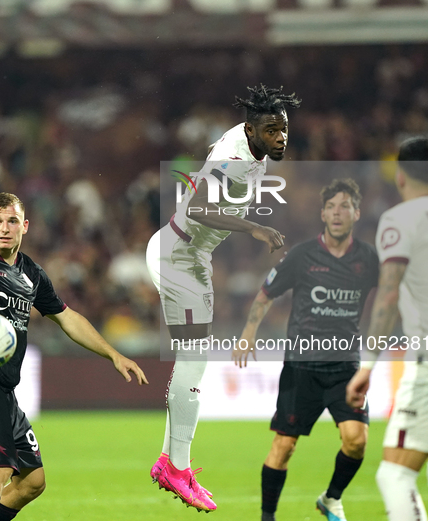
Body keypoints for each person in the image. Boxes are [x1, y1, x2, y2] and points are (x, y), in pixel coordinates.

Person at [0, 192, 148, 521]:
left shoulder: (33, 275)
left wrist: (113, 354)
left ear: (25, 226)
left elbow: (67, 317)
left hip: (5, 393)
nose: (4, 228)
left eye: (12, 221)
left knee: (32, 482)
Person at [146, 85, 301, 512]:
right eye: (271, 131)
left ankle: (169, 461)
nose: (280, 138)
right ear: (251, 130)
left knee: (193, 358)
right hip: (177, 254)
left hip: (193, 257)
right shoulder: (233, 158)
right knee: (195, 358)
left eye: (284, 129)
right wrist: (253, 227)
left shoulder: (253, 145)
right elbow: (196, 206)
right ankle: (177, 467)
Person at [234, 178, 379, 521]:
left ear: (357, 213)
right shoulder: (302, 255)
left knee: (357, 441)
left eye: (344, 206)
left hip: (345, 367)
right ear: (322, 214)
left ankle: (331, 498)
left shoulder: (368, 258)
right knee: (284, 447)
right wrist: (248, 331)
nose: (337, 212)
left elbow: (391, 294)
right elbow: (266, 293)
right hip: (302, 368)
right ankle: (267, 518)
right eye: (331, 207)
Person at [346, 137, 428, 521]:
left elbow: (388, 294)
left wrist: (367, 366)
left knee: (394, 474)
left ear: (399, 176)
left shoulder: (398, 220)